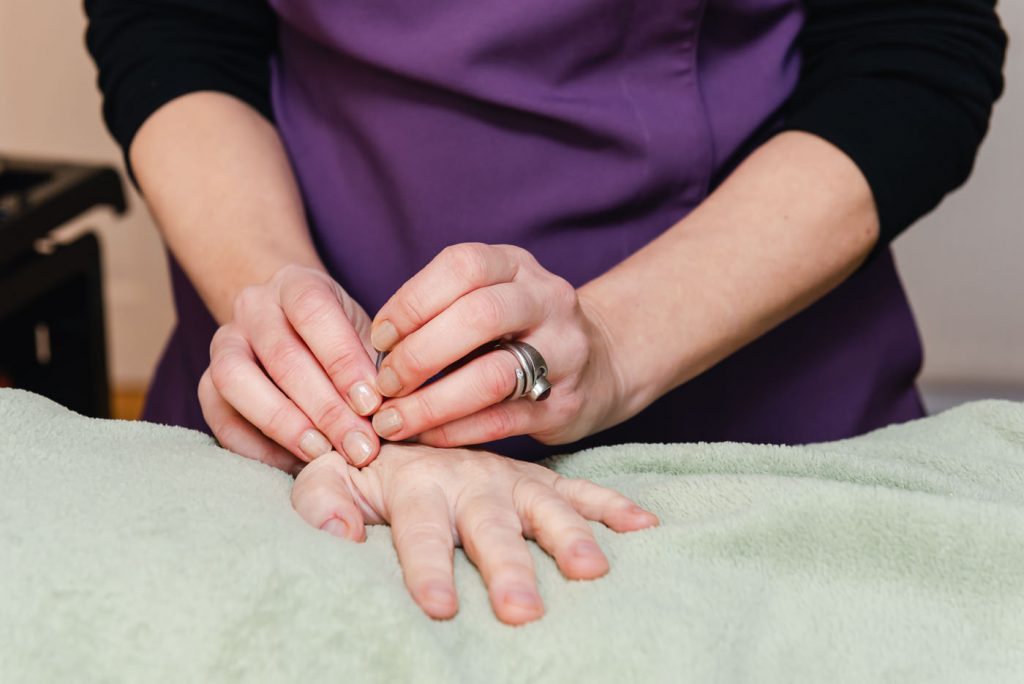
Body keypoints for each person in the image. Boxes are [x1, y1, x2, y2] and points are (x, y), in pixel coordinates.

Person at [86, 0, 1005, 622]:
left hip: (750, 405)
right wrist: (307, 358)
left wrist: (612, 344)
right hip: (290, 434)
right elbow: (174, 32)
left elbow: (910, 58)